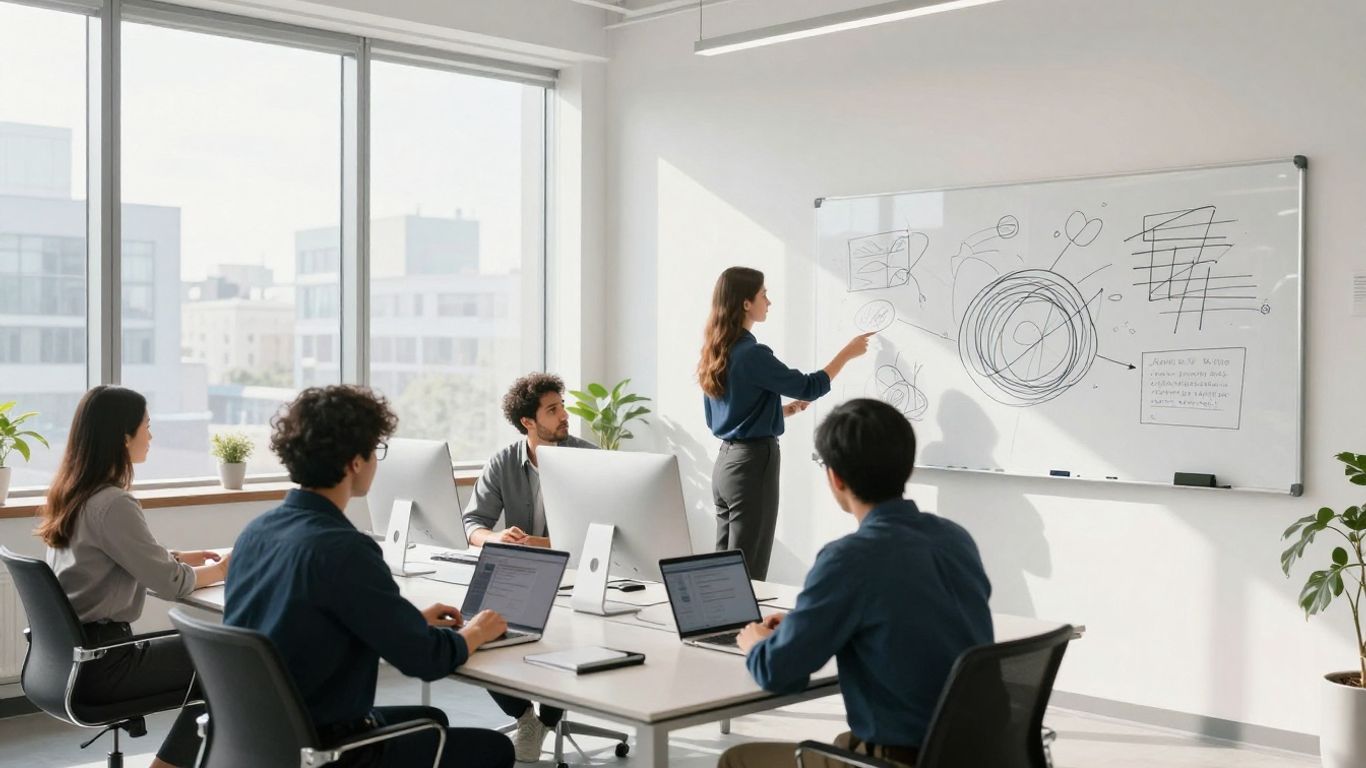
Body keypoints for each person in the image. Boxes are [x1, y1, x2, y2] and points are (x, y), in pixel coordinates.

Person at [225, 385, 513, 768]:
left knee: (432, 722)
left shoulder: (256, 532)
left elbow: (308, 623)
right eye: (375, 451)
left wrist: (407, 622)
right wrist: (476, 631)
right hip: (330, 749)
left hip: (263, 739)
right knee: (495, 750)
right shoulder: (345, 549)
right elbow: (426, 661)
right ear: (353, 463)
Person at [718, 399, 994, 768]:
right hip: (976, 750)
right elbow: (901, 614)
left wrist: (756, 643)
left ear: (835, 477)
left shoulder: (848, 558)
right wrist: (806, 625)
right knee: (841, 741)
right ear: (907, 467)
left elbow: (780, 673)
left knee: (738, 759)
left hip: (906, 758)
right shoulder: (954, 538)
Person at [39, 386, 228, 768]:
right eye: (147, 426)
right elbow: (170, 584)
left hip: (68, 661)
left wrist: (176, 556)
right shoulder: (113, 503)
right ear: (123, 437)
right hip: (105, 664)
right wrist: (225, 568)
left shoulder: (74, 494)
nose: (152, 436)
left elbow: (111, 559)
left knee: (214, 657)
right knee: (228, 663)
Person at [697, 266, 872, 580]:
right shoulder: (751, 354)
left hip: (725, 465)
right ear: (746, 303)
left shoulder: (717, 351)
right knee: (748, 569)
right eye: (764, 294)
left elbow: (731, 411)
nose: (769, 301)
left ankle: (719, 630)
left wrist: (784, 411)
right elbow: (809, 386)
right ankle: (744, 631)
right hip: (752, 463)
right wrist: (847, 353)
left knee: (724, 568)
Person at [462, 372, 595, 761]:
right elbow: (473, 524)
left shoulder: (588, 458)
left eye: (562, 406)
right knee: (477, 632)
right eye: (553, 410)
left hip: (572, 576)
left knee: (563, 636)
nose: (564, 415)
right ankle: (525, 717)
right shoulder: (504, 461)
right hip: (517, 574)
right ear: (528, 422)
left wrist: (540, 545)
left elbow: (601, 533)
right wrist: (496, 539)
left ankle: (551, 717)